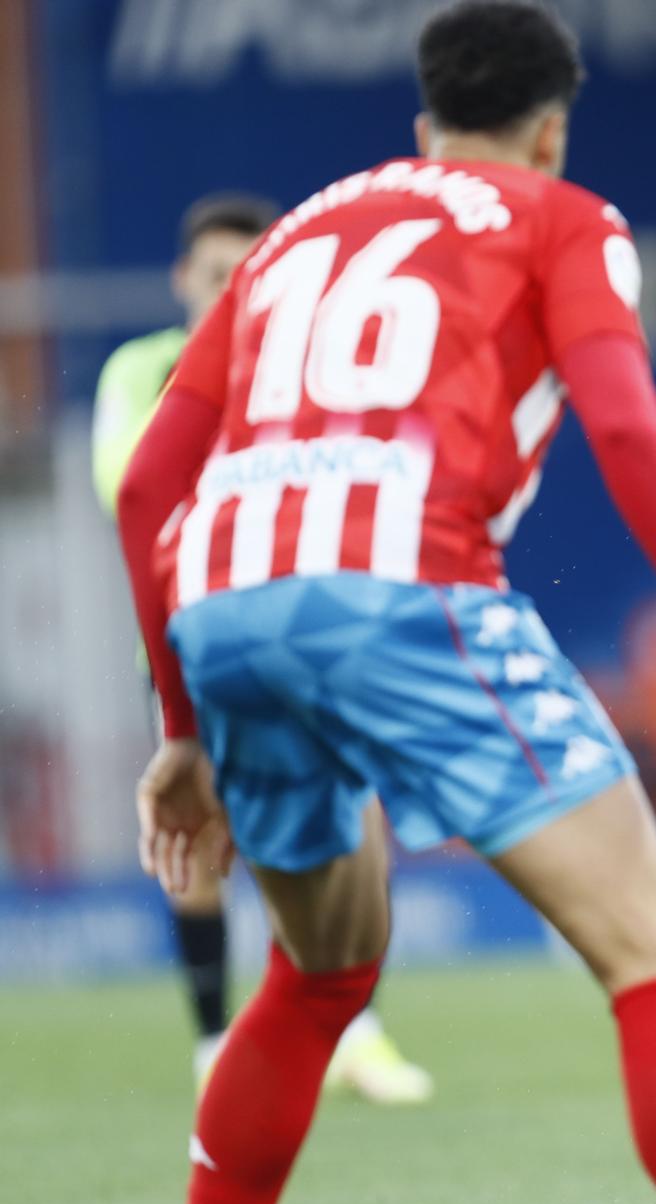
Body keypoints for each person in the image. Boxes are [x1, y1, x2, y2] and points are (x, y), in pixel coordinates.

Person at [112, 6, 656, 1204]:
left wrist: (181, 727)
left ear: (420, 119)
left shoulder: (295, 234)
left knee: (319, 972)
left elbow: (152, 479)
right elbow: (621, 418)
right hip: (405, 587)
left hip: (225, 601)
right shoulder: (561, 220)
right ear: (552, 127)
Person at [93, 192, 433, 1104]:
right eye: (216, 277)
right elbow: (129, 480)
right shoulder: (144, 368)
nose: (232, 293)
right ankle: (213, 1039)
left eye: (250, 275)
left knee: (352, 822)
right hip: (187, 645)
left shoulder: (308, 371)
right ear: (183, 282)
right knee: (204, 838)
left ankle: (353, 1026)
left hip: (309, 633)